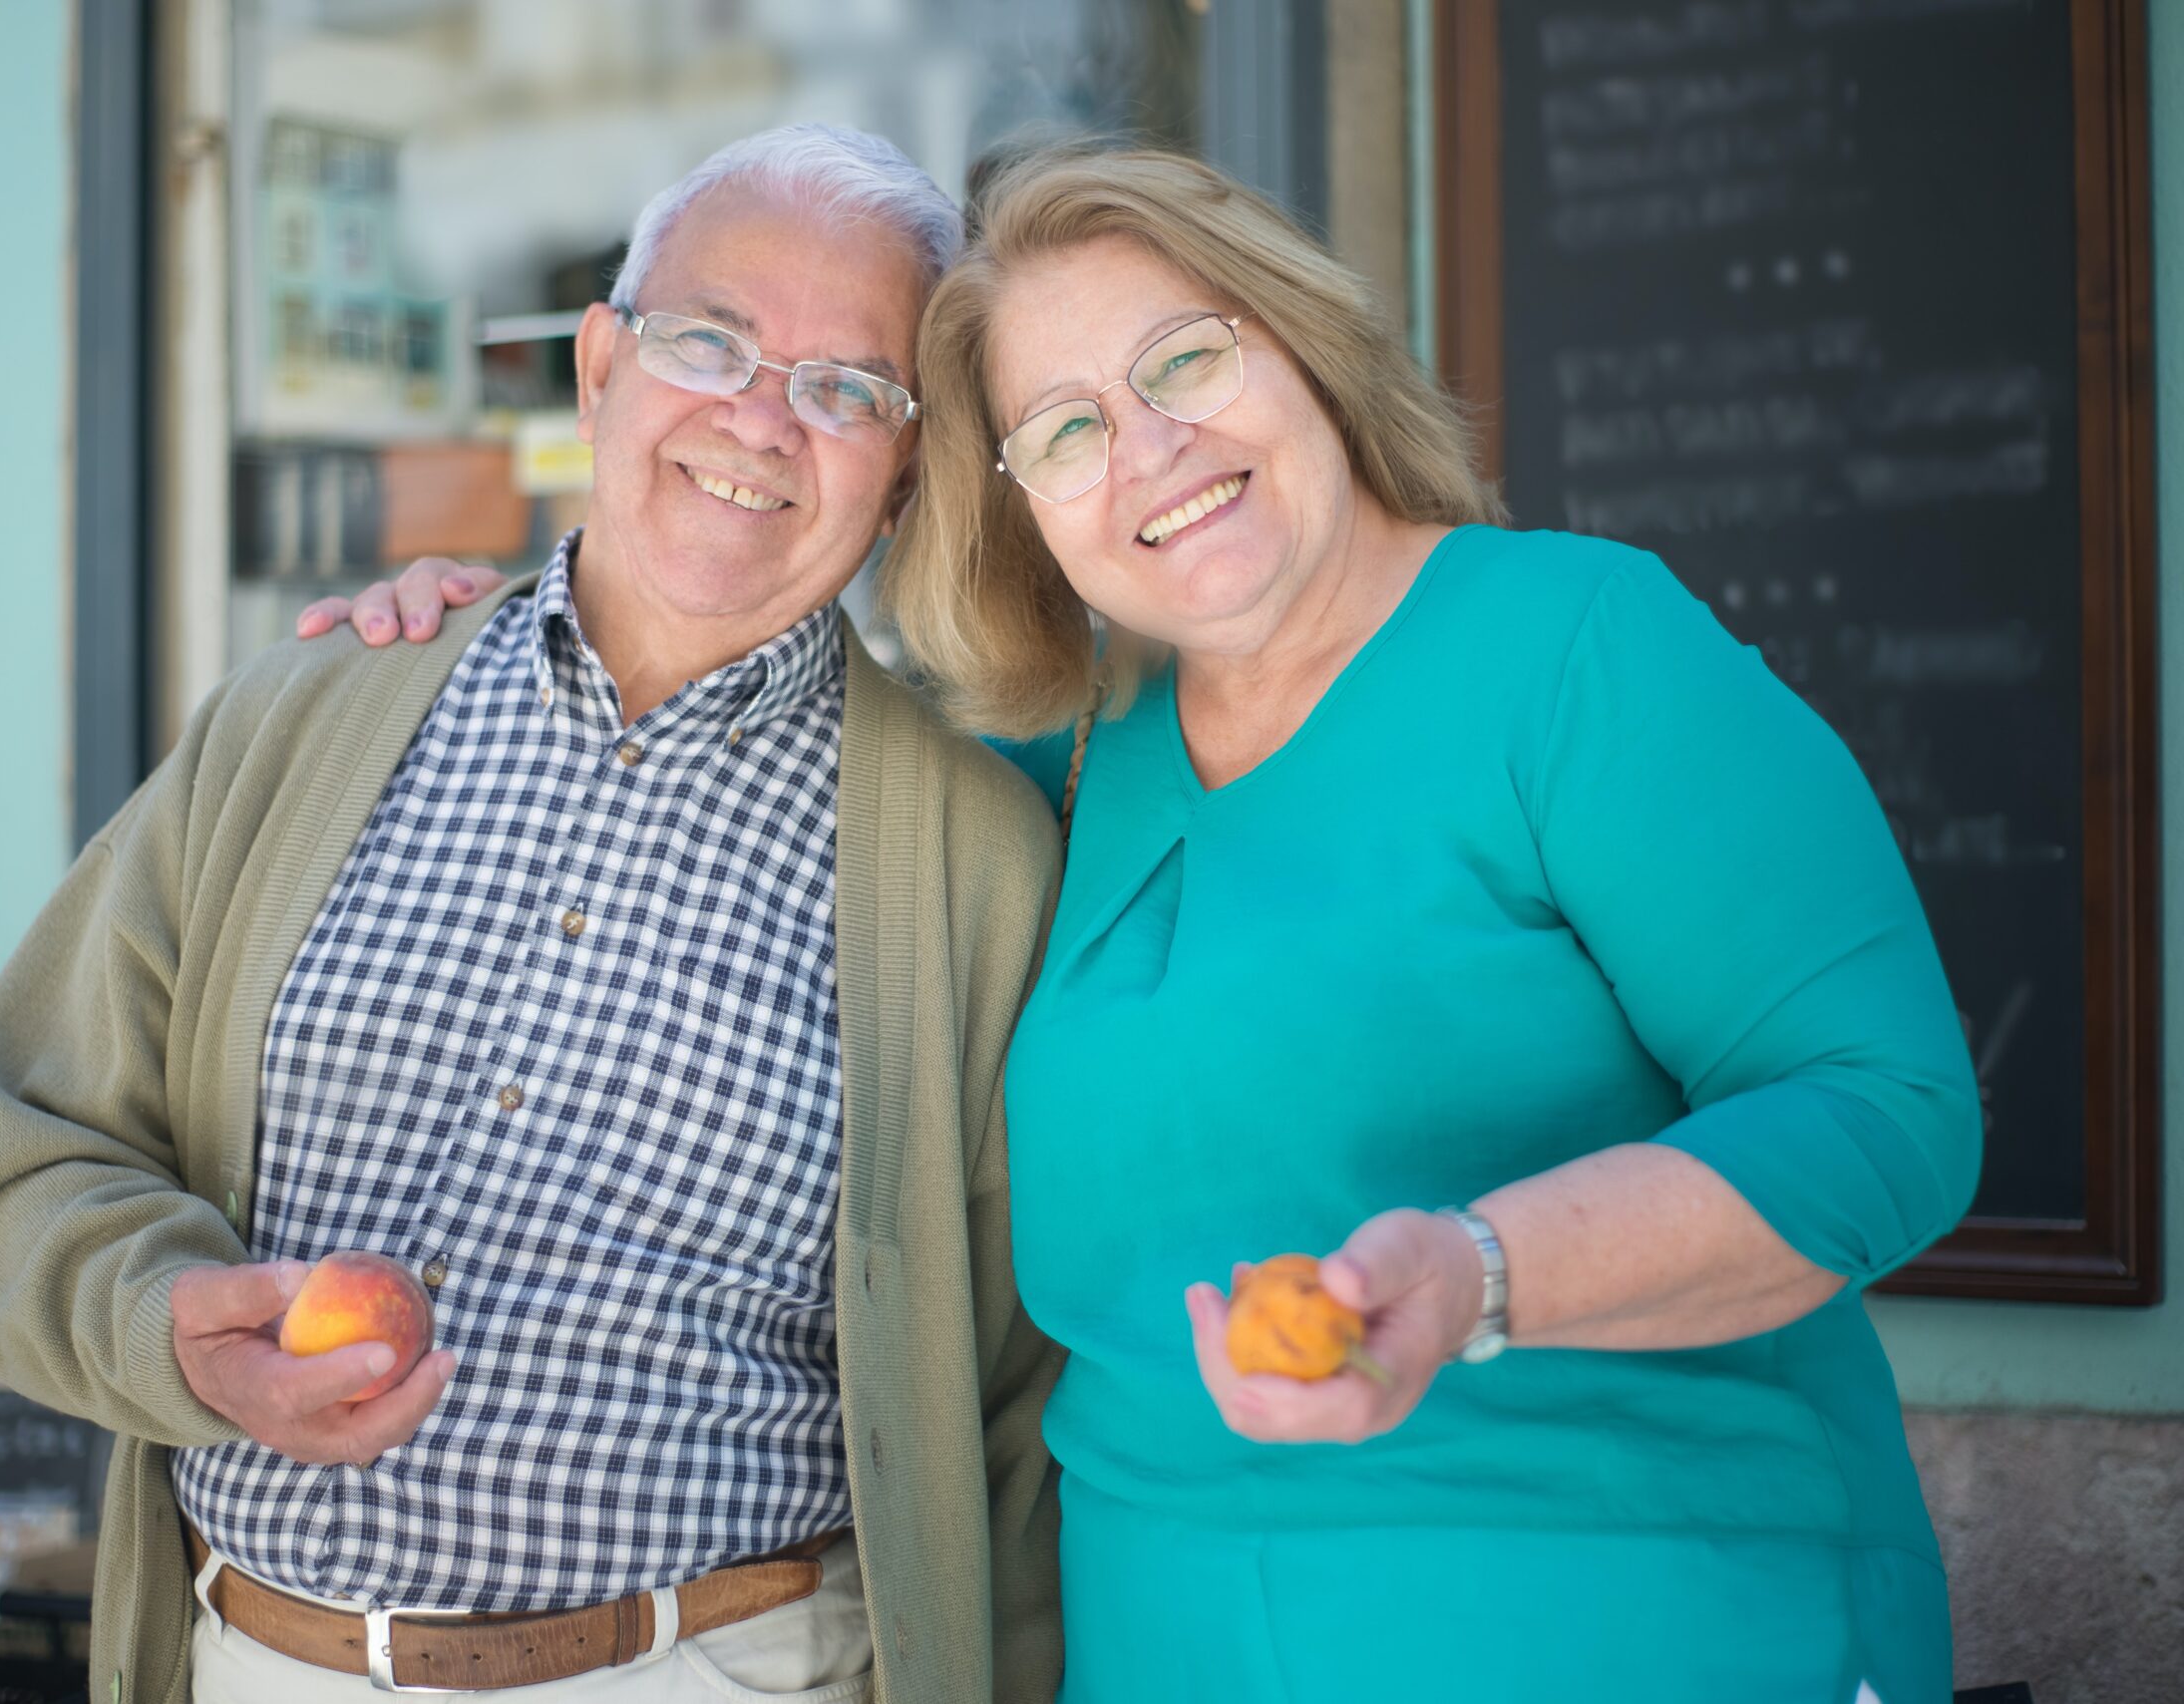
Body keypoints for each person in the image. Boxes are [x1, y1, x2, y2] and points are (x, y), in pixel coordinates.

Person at [335, 140, 1982, 1704]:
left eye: (1184, 363)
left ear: (1303, 343)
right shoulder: (1044, 769)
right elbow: (701, 781)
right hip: (1157, 1648)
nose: (1148, 452)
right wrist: (477, 639)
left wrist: (1483, 1273)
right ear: (1017, 513)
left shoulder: (1572, 649)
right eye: (1060, 431)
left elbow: (1888, 1114)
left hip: (1632, 1618)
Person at [0, 125, 1064, 1704]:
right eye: (707, 340)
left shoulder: (979, 861)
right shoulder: (302, 718)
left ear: (910, 470)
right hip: (252, 1662)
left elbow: (1015, 1407)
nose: (759, 418)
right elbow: (36, 1148)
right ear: (600, 367)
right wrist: (164, 1319)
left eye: (846, 389)